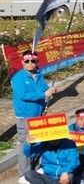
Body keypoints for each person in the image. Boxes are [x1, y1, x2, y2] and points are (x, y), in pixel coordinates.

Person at [11, 50, 59, 178]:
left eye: (33, 61)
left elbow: (44, 88)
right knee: (26, 143)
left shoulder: (39, 75)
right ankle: (24, 173)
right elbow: (23, 95)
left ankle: (36, 167)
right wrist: (43, 94)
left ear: (37, 62)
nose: (30, 63)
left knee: (38, 141)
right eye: (27, 61)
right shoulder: (18, 78)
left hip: (39, 116)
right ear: (22, 62)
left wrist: (50, 90)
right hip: (25, 117)